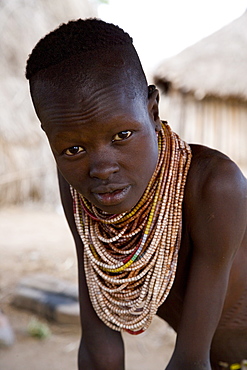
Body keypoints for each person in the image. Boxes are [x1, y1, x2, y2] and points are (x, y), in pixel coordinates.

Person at [25, 19, 247, 370]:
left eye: (122, 135)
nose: (101, 169)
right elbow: (100, 347)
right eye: (73, 149)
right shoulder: (81, 192)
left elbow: (190, 361)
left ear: (153, 112)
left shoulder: (214, 187)